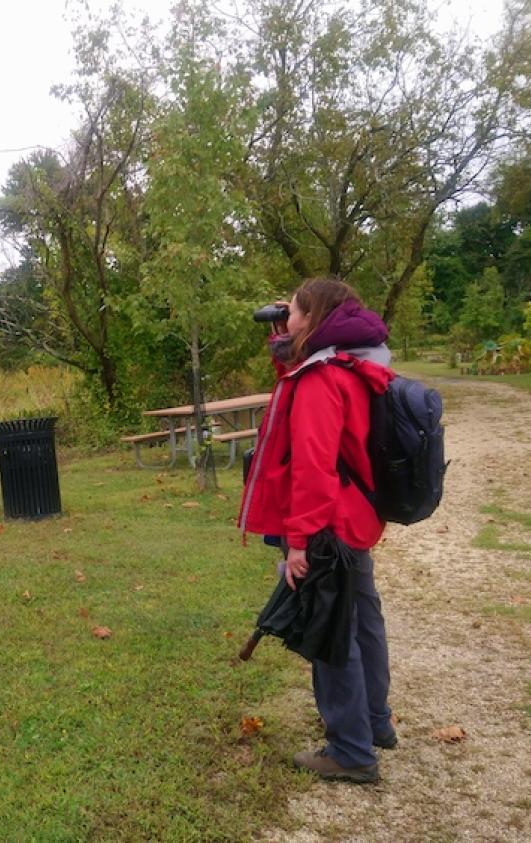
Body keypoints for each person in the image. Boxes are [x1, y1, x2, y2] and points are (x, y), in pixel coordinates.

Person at [237, 276, 395, 784]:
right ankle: (375, 723)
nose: (290, 318)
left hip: (328, 524)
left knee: (333, 632)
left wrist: (299, 540)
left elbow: (313, 465)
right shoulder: (353, 362)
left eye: (298, 312)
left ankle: (350, 750)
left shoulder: (320, 379)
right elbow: (299, 373)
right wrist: (288, 336)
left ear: (316, 320)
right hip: (356, 516)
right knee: (363, 618)